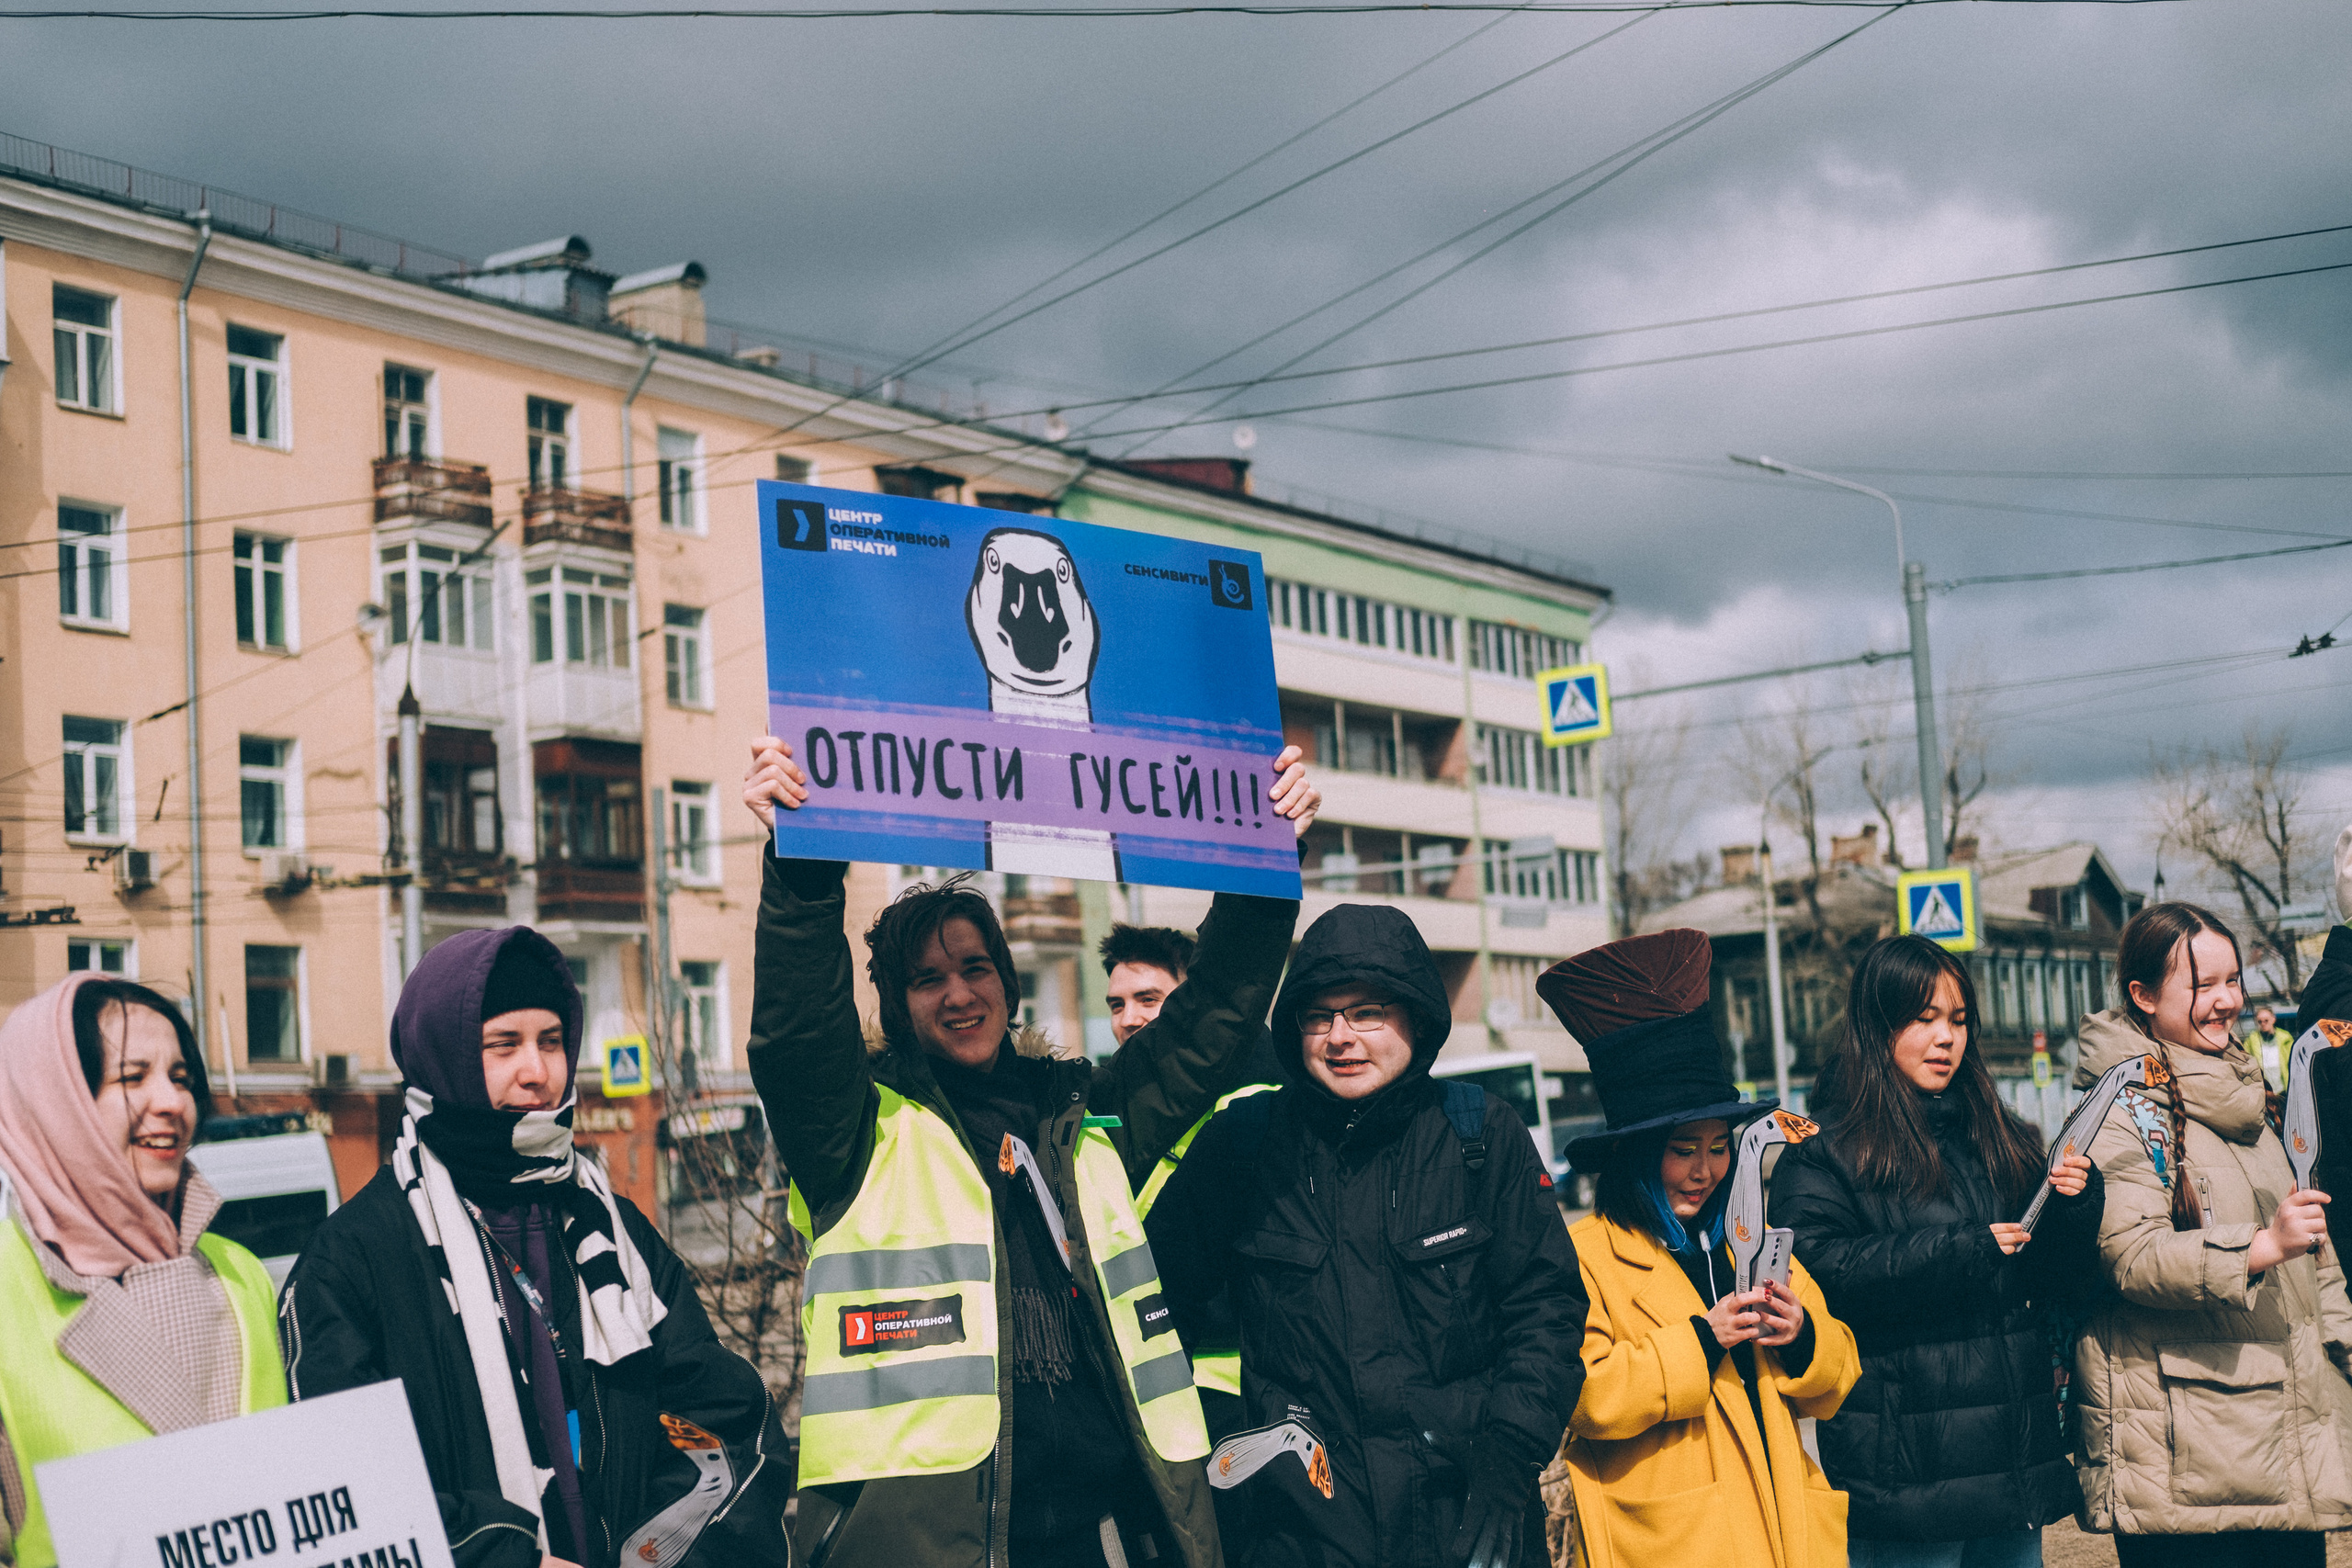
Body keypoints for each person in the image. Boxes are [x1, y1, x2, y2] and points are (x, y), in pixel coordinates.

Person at [742, 736, 1317, 1568]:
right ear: (898, 1007)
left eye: (977, 967)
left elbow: (1211, 1021)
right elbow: (797, 1033)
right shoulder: (853, 1128)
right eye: (928, 977)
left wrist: (1267, 860)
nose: (960, 992)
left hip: (1109, 1526)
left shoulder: (1084, 1114)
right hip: (926, 1541)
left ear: (1008, 984)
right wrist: (801, 869)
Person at [278, 928, 792, 1568]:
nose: (538, 1071)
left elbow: (719, 1418)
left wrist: (657, 1554)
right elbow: (345, 1491)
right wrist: (512, 1559)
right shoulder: (352, 1260)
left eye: (552, 1041)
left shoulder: (613, 1229)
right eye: (504, 1045)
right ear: (445, 1054)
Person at [1145, 903, 1587, 1568]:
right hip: (1300, 1533)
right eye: (1318, 1016)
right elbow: (1151, 1303)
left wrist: (1510, 1451)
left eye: (1367, 1012)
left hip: (1466, 1519)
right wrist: (1220, 1453)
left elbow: (1546, 1309)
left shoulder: (1482, 1136)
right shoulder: (1245, 1143)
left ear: (1417, 1016)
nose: (1339, 1037)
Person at [1771, 934, 2104, 1568]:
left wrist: (2073, 1205)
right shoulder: (1825, 1148)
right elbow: (1824, 1273)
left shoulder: (1998, 1133)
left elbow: (2055, 1277)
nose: (1945, 1037)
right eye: (1923, 1018)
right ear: (1878, 1025)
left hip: (2009, 1469)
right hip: (1904, 1478)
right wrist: (1962, 1251)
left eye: (1956, 1019)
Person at [1546, 930, 1860, 1568]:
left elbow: (1841, 1372)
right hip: (1676, 1544)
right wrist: (1700, 1338)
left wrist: (1801, 1336)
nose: (1706, 1170)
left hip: (1786, 1536)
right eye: (1683, 1149)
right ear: (1636, 1155)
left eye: (1720, 1146)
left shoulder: (1749, 1240)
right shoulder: (1587, 1254)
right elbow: (1583, 1394)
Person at [2070, 901, 2352, 1568]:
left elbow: (2314, 1255)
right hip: (2189, 1460)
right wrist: (2258, 1247)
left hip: (2274, 1442)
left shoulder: (2244, 1101)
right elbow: (2130, 1255)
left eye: (2234, 981)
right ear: (2141, 994)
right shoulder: (2123, 1103)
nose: (2225, 1001)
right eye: (2203, 985)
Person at [0, 976, 287, 1568]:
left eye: (181, 1078)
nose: (172, 1102)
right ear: (56, 1103)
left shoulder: (241, 1271)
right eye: (132, 1078)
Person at [2243, 1006, 2294, 1089]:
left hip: (2284, 1087)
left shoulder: (2285, 1038)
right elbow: (2244, 1060)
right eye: (2260, 1022)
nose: (2263, 1024)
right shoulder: (2252, 1040)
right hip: (2264, 1088)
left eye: (2266, 1020)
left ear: (2273, 1019)